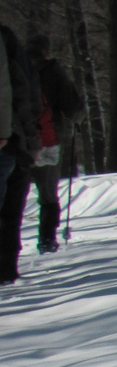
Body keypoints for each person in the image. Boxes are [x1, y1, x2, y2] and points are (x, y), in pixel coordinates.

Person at [24, 34, 83, 253]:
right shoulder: (54, 72)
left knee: (12, 194)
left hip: (15, 142)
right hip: (47, 141)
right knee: (47, 194)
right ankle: (47, 239)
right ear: (46, 51)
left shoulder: (12, 69)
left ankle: (8, 244)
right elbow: (74, 107)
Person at [1, 21, 43, 284]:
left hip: (9, 139)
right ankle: (7, 269)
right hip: (16, 141)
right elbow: (28, 97)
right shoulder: (11, 44)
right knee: (12, 210)